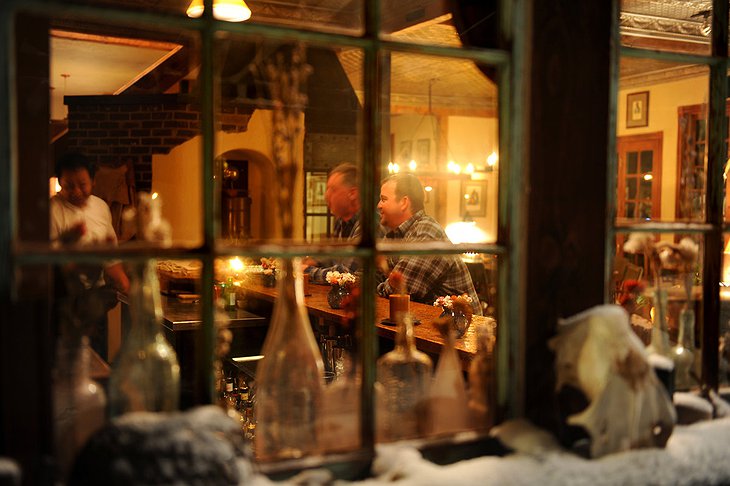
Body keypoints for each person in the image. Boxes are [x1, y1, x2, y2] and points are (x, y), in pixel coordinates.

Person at [51, 152, 130, 359]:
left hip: (96, 302)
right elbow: (54, 263)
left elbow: (110, 255)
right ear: (60, 182)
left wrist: (128, 287)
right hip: (66, 303)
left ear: (93, 181)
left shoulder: (101, 207)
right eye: (69, 185)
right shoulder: (52, 210)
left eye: (82, 184)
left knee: (98, 359)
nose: (76, 191)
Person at [376, 173, 481, 315]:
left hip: (459, 329)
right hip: (428, 326)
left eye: (383, 199)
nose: (378, 205)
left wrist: (373, 286)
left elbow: (401, 291)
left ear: (404, 203)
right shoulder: (395, 236)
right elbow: (374, 274)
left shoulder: (426, 232)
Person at [303, 163, 362, 283]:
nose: (326, 196)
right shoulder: (341, 221)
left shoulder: (367, 225)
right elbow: (334, 258)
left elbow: (347, 275)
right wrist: (315, 261)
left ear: (352, 193)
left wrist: (307, 271)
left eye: (332, 190)